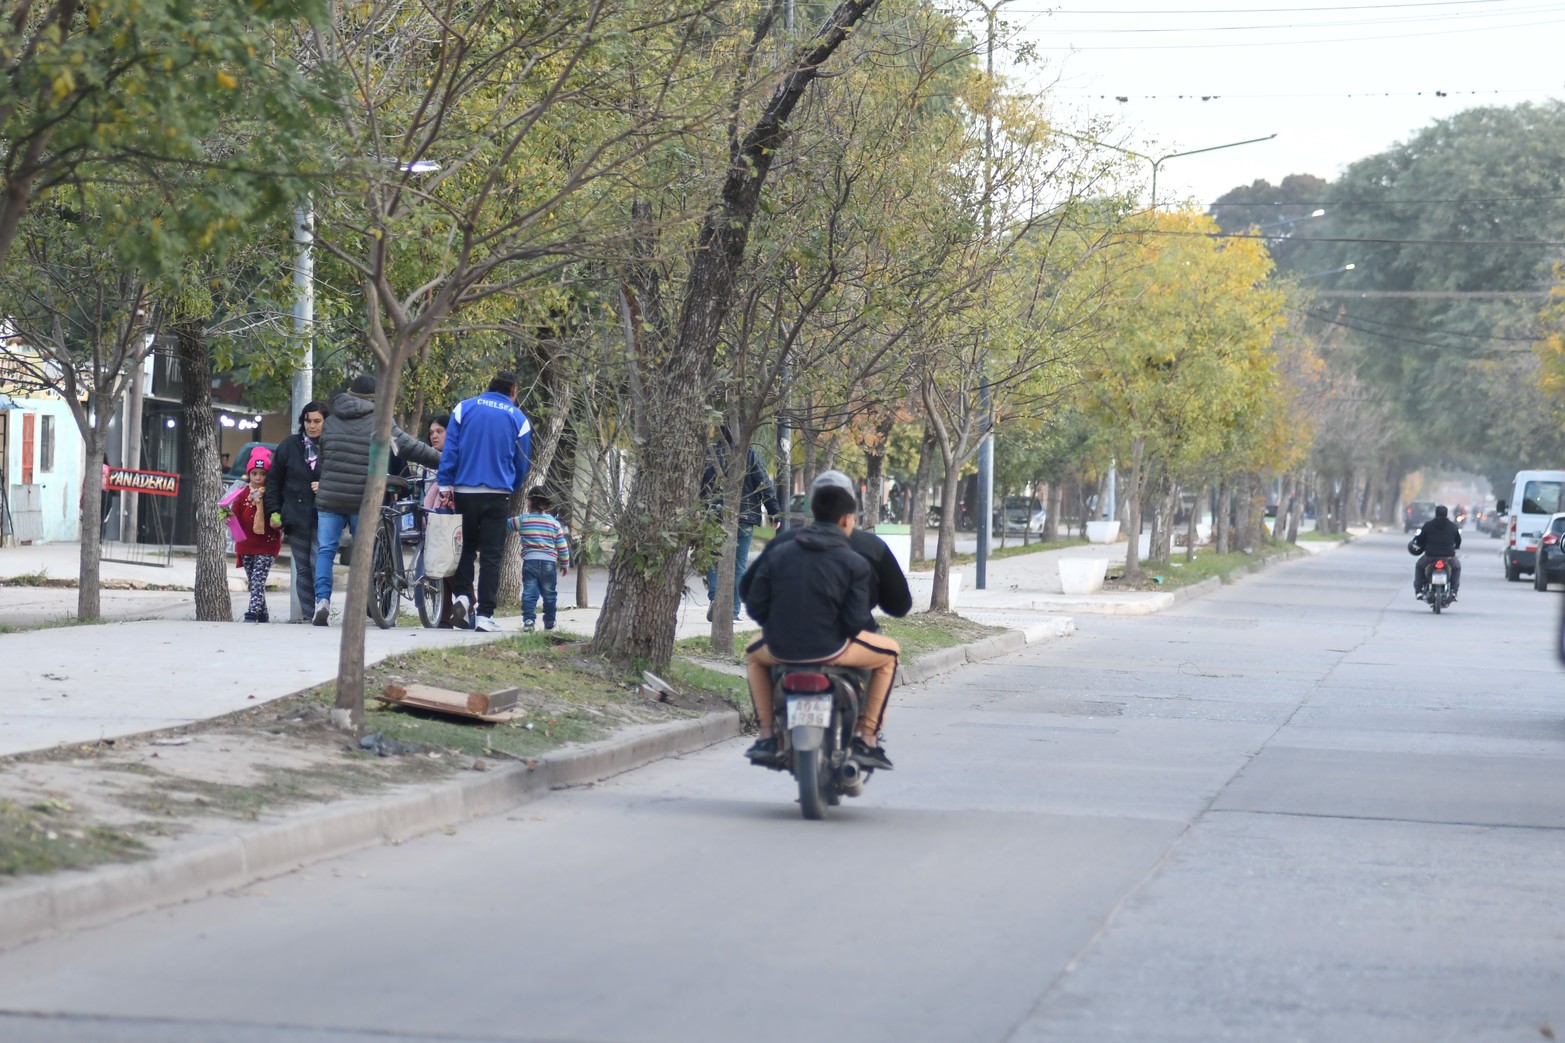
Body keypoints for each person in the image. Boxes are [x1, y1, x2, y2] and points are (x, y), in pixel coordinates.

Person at [741, 478, 900, 771]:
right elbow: (854, 623)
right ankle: (867, 738)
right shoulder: (854, 562)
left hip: (779, 648)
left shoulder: (779, 551)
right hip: (832, 649)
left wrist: (776, 625)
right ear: (847, 519)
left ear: (812, 512)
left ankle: (765, 735)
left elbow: (753, 603)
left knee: (752, 654)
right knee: (889, 654)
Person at [312, 375, 440, 626]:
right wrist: (445, 460)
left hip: (330, 496)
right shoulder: (380, 421)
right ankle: (361, 605)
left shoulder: (331, 421)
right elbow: (411, 448)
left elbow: (324, 459)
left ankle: (322, 602)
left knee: (326, 550)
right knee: (366, 553)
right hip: (364, 499)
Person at [741, 469, 912, 624]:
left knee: (756, 655)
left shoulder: (782, 542)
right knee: (890, 653)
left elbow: (747, 591)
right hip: (848, 647)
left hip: (786, 646)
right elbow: (899, 605)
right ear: (849, 511)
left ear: (813, 507)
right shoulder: (873, 548)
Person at [436, 371, 532, 633]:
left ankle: (462, 598)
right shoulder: (518, 418)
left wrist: (445, 485)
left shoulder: (463, 409)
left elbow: (451, 450)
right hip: (497, 493)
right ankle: (485, 616)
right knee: (491, 555)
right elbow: (522, 462)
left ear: (488, 387)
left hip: (464, 492)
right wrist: (510, 486)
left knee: (465, 548)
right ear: (513, 391)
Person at [700, 427, 780, 621]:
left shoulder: (709, 454)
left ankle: (715, 599)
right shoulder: (750, 455)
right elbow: (764, 485)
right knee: (738, 565)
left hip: (713, 515)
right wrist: (774, 513)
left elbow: (699, 484)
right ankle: (732, 610)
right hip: (743, 517)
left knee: (713, 559)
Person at [266, 400, 327, 623]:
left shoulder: (332, 446)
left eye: (317, 421)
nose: (312, 426)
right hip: (295, 514)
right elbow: (273, 482)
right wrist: (274, 511)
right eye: (308, 420)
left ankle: (323, 606)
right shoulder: (289, 446)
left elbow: (343, 476)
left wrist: (325, 484)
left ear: (325, 422)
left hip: (325, 514)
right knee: (302, 567)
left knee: (317, 561)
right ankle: (311, 614)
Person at [228, 449, 282, 623]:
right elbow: (234, 514)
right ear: (249, 474)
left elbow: (277, 513)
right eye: (254, 473)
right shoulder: (242, 494)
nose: (258, 478)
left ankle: (251, 613)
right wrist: (226, 515)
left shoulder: (272, 495)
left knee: (258, 579)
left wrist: (276, 516)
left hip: (267, 544)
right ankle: (263, 613)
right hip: (246, 545)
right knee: (254, 580)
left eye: (262, 473)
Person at [507, 489, 571, 632]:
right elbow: (562, 545)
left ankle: (529, 621)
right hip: (549, 563)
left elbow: (506, 524)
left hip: (530, 562)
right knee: (549, 594)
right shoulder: (554, 523)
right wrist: (565, 563)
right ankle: (549, 621)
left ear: (530, 502)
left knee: (529, 593)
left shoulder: (523, 520)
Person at [1411, 503, 1462, 600]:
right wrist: (1457, 546)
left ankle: (1418, 591)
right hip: (1449, 556)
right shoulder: (1453, 526)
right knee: (1456, 567)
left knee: (1419, 566)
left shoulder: (1428, 525)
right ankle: (1454, 591)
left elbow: (1420, 539)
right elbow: (1458, 540)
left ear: (1435, 513)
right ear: (1446, 514)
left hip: (1430, 556)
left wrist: (1419, 543)